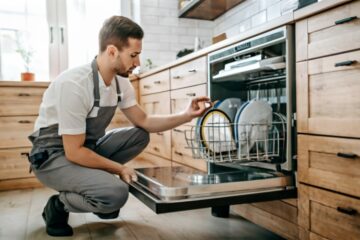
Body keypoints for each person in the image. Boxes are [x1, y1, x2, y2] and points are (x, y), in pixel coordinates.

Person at [28, 15, 211, 237]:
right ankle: (59, 205)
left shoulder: (120, 83)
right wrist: (119, 169)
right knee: (115, 193)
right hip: (52, 157)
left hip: (85, 148)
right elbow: (74, 151)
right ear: (112, 51)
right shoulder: (74, 84)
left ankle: (97, 190)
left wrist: (186, 114)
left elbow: (145, 122)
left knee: (139, 135)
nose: (138, 63)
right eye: (133, 55)